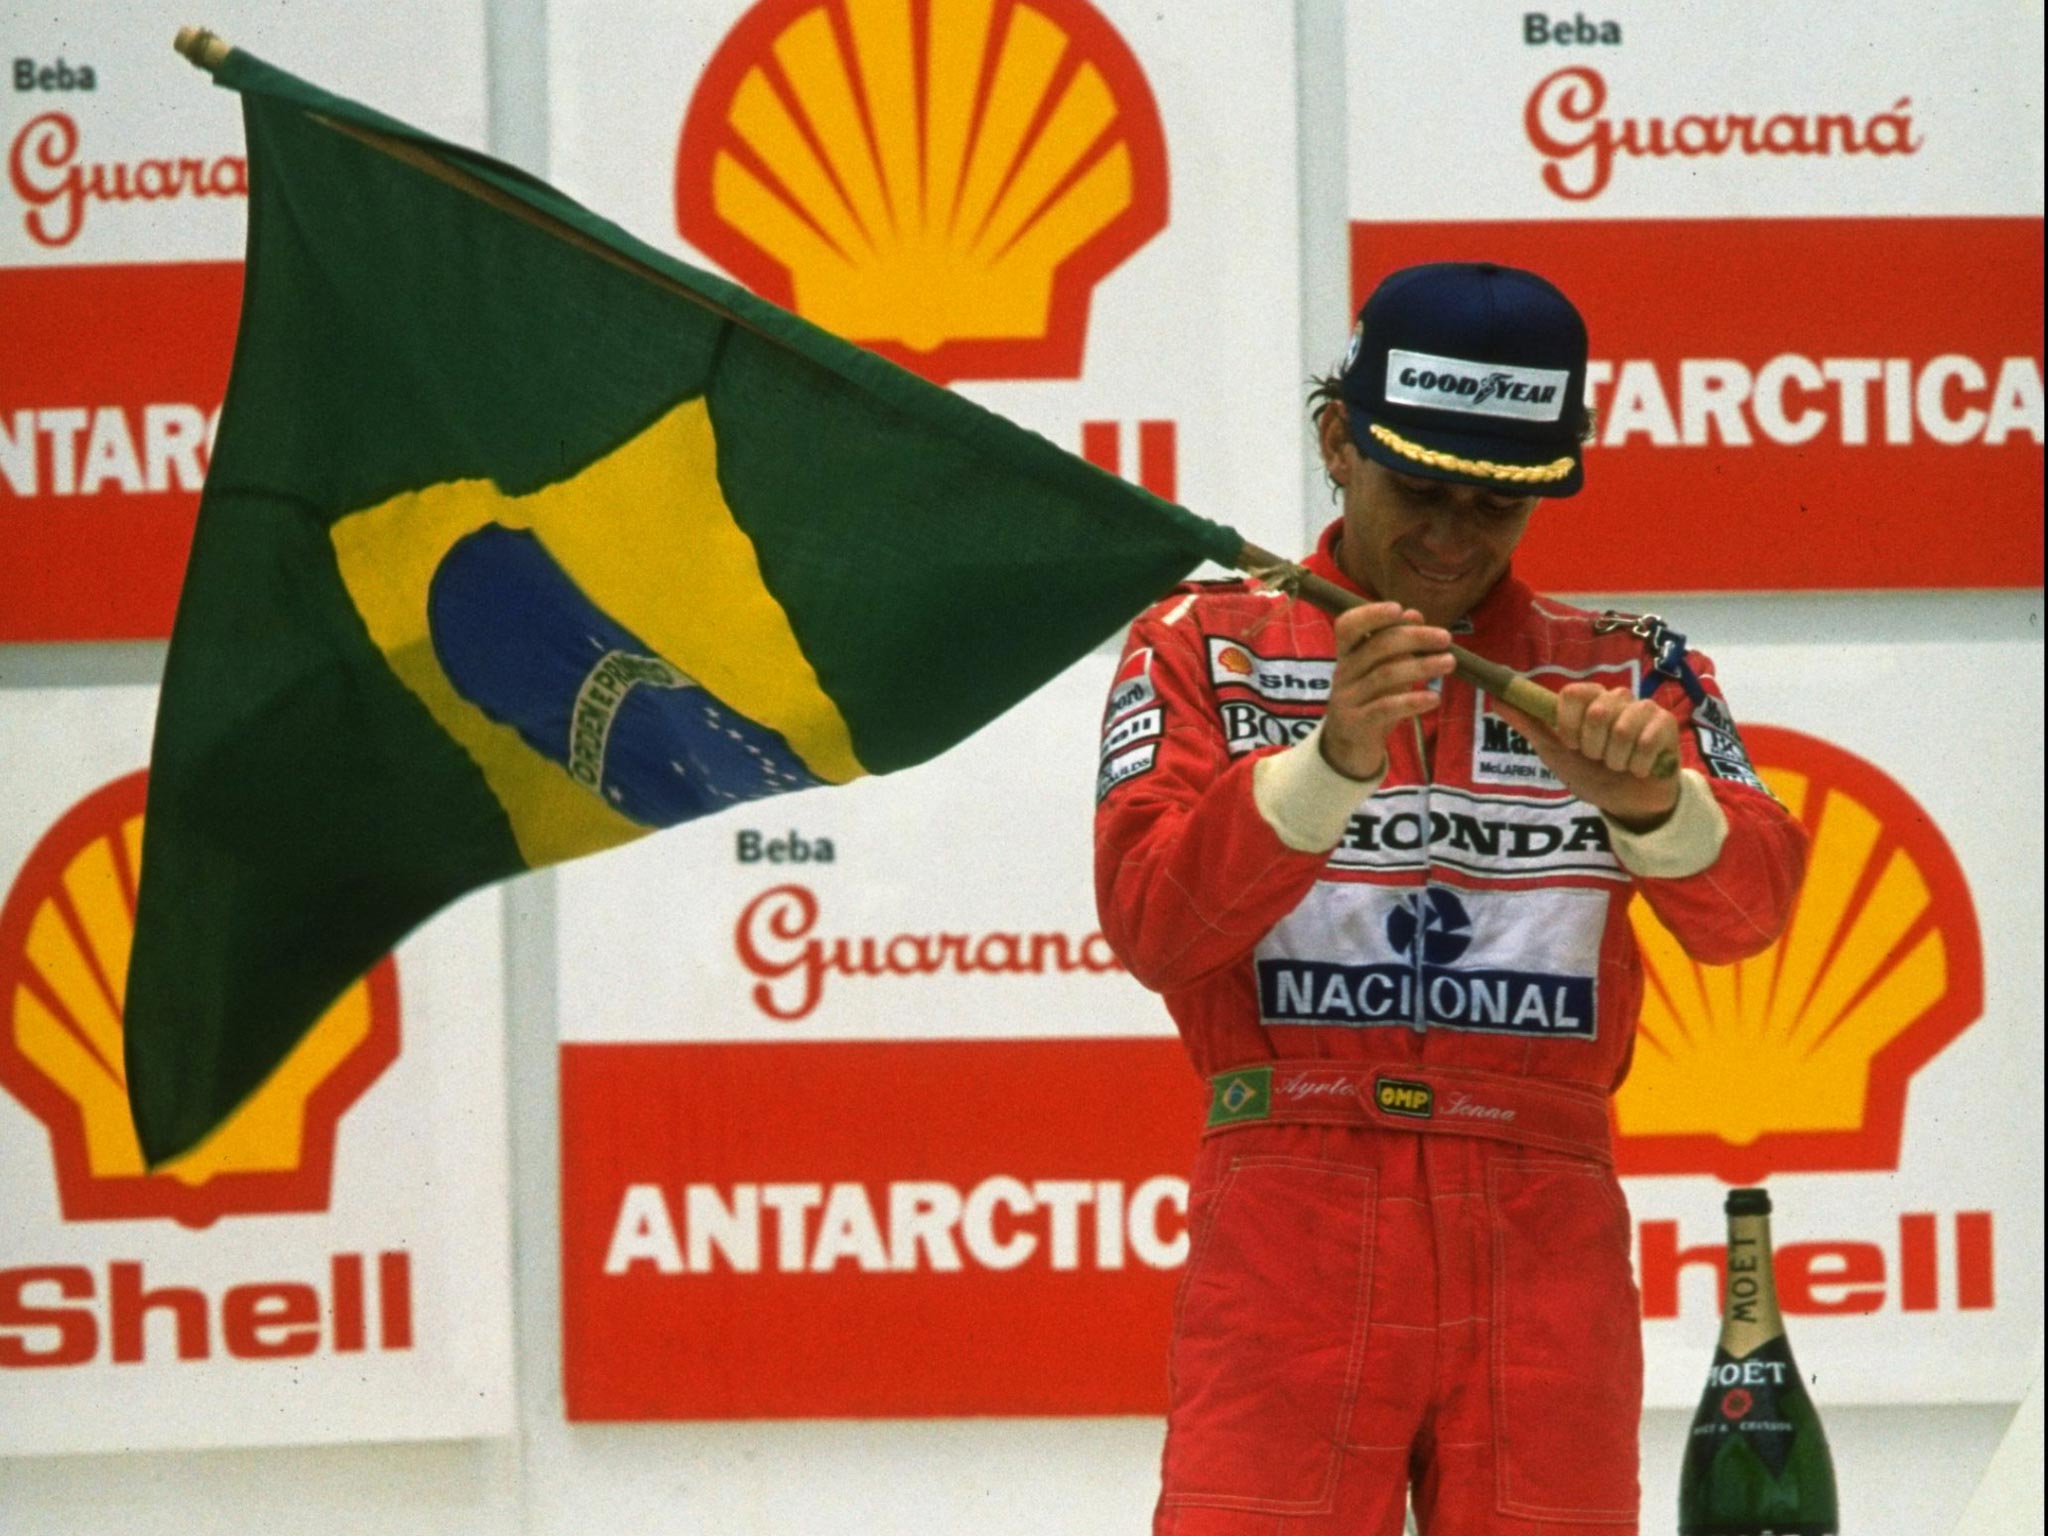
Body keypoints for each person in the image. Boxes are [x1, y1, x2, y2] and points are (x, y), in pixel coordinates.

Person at [1093, 261, 1809, 1536]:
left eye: (1496, 505)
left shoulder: (1623, 666)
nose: (1448, 537)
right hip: (1289, 1205)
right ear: (1334, 441)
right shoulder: (1202, 642)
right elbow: (1153, 925)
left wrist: (1648, 806)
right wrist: (1327, 765)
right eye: (1414, 488)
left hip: (1542, 1223)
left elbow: (1749, 914)